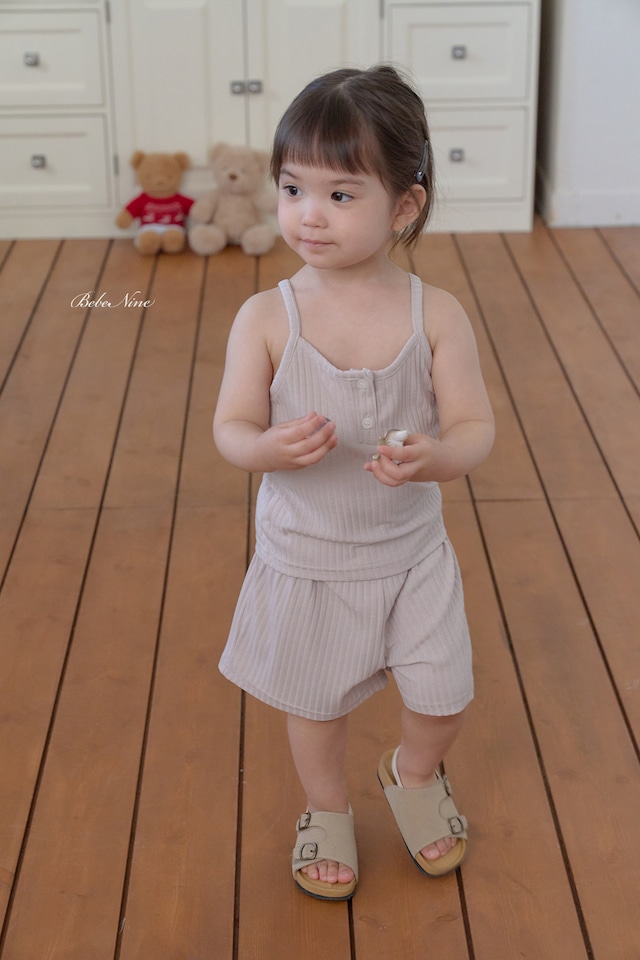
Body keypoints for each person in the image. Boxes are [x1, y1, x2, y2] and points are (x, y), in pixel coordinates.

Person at [213, 64, 495, 901]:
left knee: (444, 695)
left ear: (404, 206)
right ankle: (326, 806)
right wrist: (266, 447)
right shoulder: (267, 318)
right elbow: (231, 429)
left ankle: (415, 771)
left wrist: (438, 457)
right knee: (317, 703)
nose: (309, 213)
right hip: (310, 554)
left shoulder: (435, 314)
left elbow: (474, 427)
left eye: (340, 195)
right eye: (293, 188)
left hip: (409, 550)